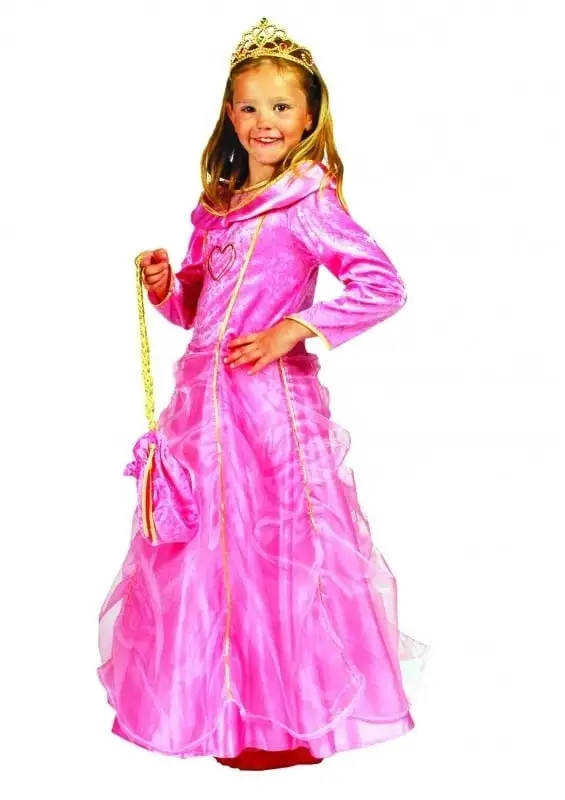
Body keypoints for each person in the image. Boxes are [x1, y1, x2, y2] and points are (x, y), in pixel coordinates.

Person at [97, 16, 429, 771]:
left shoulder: (308, 203)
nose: (264, 122)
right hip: (201, 410)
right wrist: (166, 287)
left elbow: (381, 285)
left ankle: (290, 719)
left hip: (269, 413)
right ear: (229, 114)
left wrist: (295, 329)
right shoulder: (216, 208)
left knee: (275, 552)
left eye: (281, 107)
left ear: (309, 117)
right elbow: (197, 307)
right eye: (249, 107)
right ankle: (225, 714)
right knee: (209, 554)